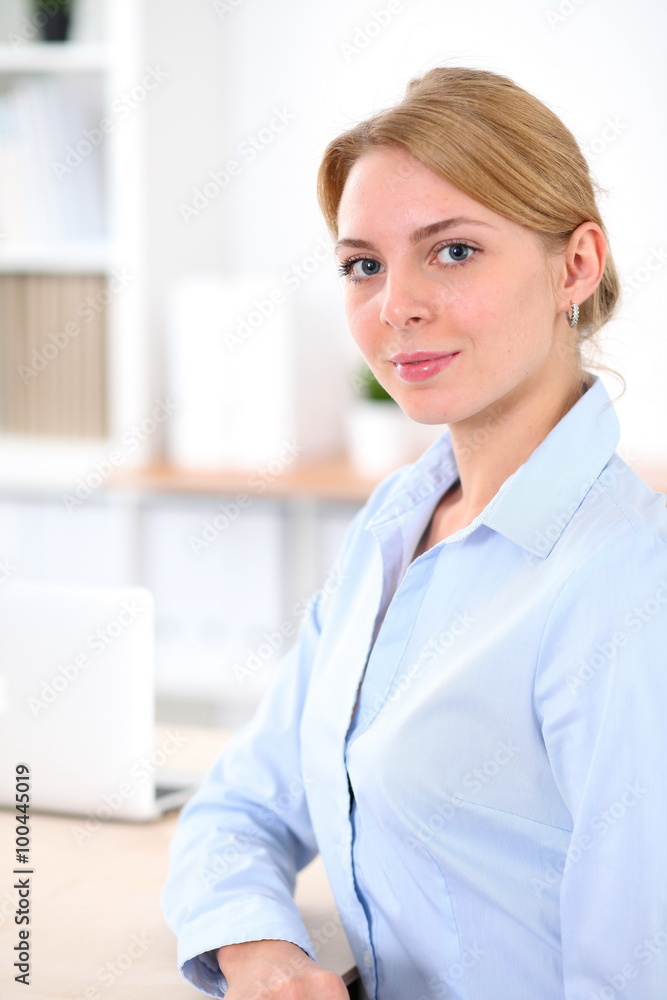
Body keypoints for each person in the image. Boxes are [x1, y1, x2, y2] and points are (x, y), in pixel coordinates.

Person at [161, 66, 667, 1000]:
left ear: (575, 265)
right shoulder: (397, 523)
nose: (395, 305)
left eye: (453, 251)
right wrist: (266, 959)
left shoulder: (623, 584)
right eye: (364, 265)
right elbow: (241, 804)